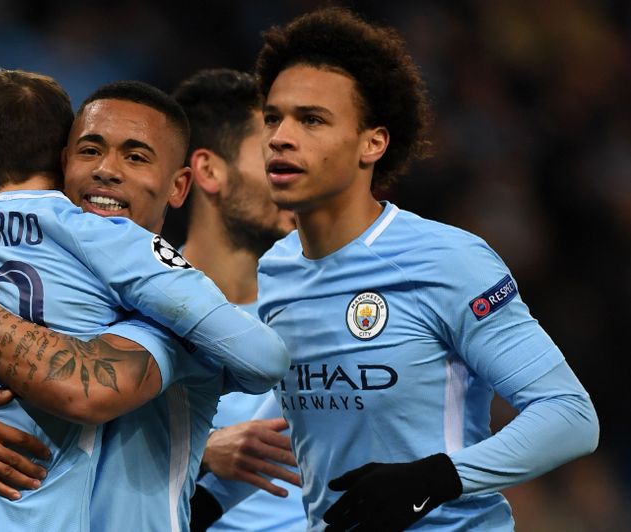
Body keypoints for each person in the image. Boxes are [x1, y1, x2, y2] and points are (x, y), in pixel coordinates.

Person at [0, 69, 289, 531]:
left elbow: (82, 392)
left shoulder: (172, 319)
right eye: (90, 150)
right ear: (60, 164)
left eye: (136, 157)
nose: (107, 169)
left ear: (178, 185)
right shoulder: (20, 276)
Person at [251, 7, 599, 531]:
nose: (281, 136)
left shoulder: (447, 259)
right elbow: (298, 423)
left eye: (312, 119)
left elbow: (570, 415)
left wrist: (434, 479)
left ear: (374, 142)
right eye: (273, 117)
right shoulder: (276, 271)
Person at [169, 69, 306, 532]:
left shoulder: (322, 308)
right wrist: (202, 452)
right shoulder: (145, 311)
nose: (290, 174)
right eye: (271, 157)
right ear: (208, 170)